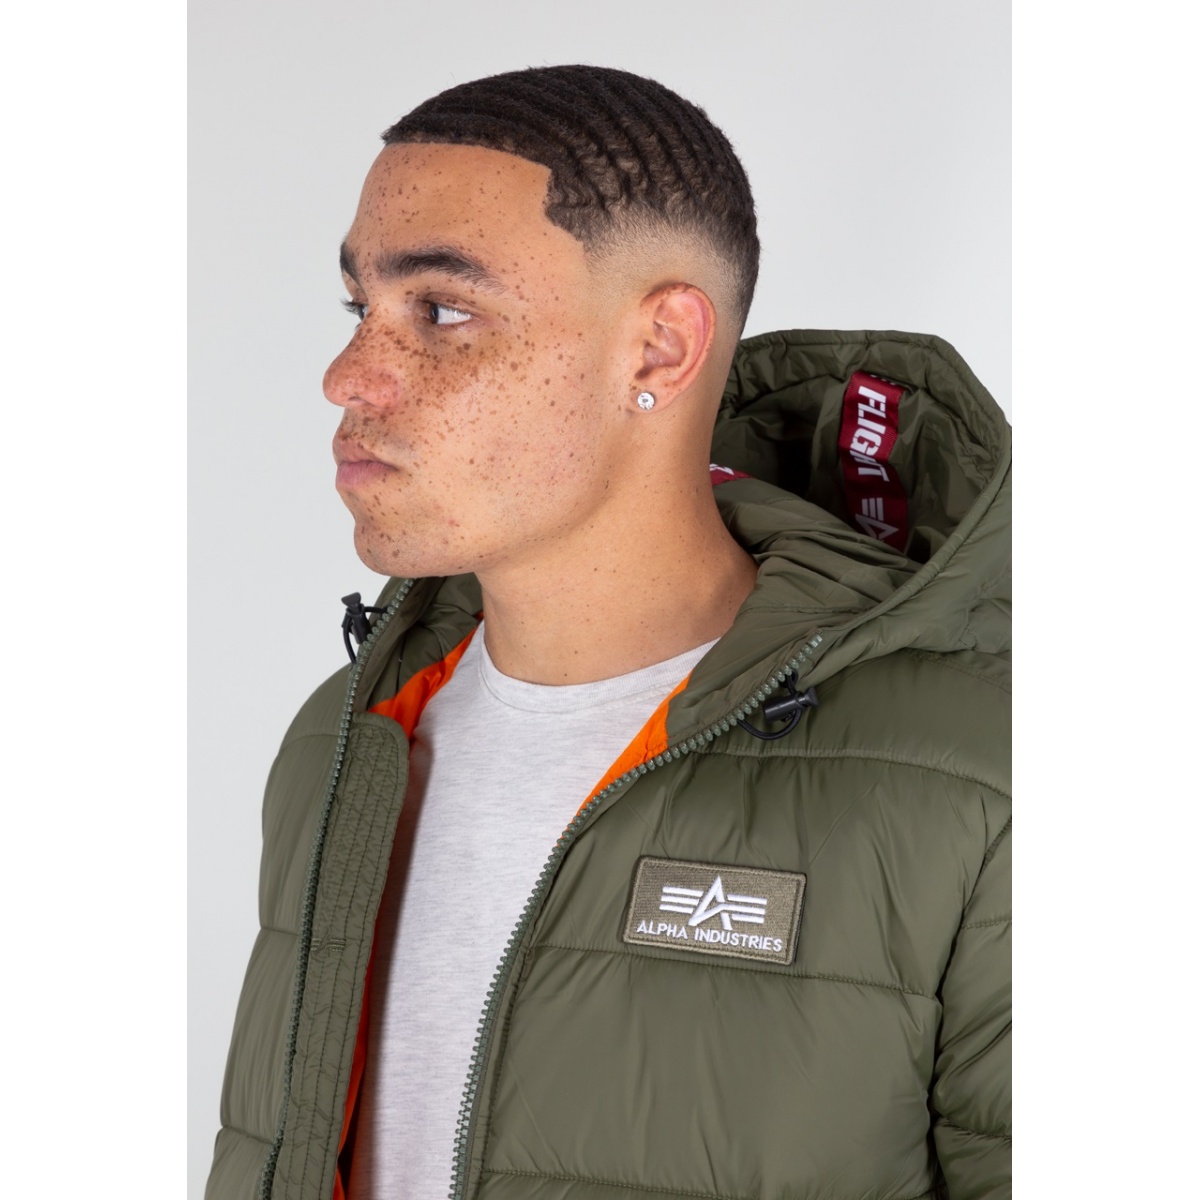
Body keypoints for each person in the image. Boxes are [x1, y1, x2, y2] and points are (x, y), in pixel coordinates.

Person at [206, 64, 1011, 1200]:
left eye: (441, 311)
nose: (349, 377)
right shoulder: (345, 742)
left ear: (659, 349)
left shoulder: (980, 770)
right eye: (360, 310)